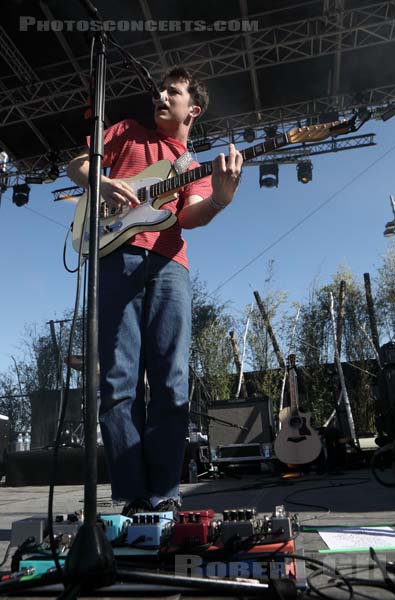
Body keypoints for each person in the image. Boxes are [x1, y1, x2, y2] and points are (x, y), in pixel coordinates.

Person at [67, 66, 243, 515]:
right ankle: (131, 495)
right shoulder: (126, 131)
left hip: (169, 265)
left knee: (171, 380)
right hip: (113, 258)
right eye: (161, 89)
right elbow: (77, 164)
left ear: (193, 108)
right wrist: (101, 182)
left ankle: (165, 493)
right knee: (118, 379)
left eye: (174, 90)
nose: (161, 94)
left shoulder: (190, 164)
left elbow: (187, 218)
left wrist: (221, 199)